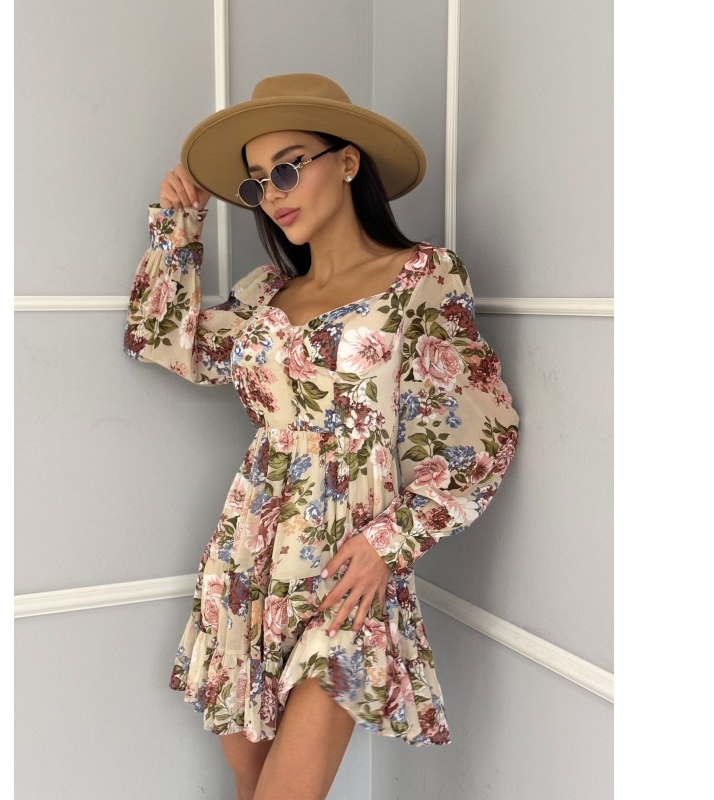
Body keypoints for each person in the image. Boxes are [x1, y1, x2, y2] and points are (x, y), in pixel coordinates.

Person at [124, 73, 519, 800]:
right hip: (249, 553)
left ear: (347, 161)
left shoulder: (422, 277)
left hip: (350, 559)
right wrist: (178, 228)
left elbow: (481, 435)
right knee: (252, 783)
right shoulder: (264, 295)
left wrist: (389, 544)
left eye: (287, 167)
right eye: (255, 183)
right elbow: (165, 340)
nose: (271, 194)